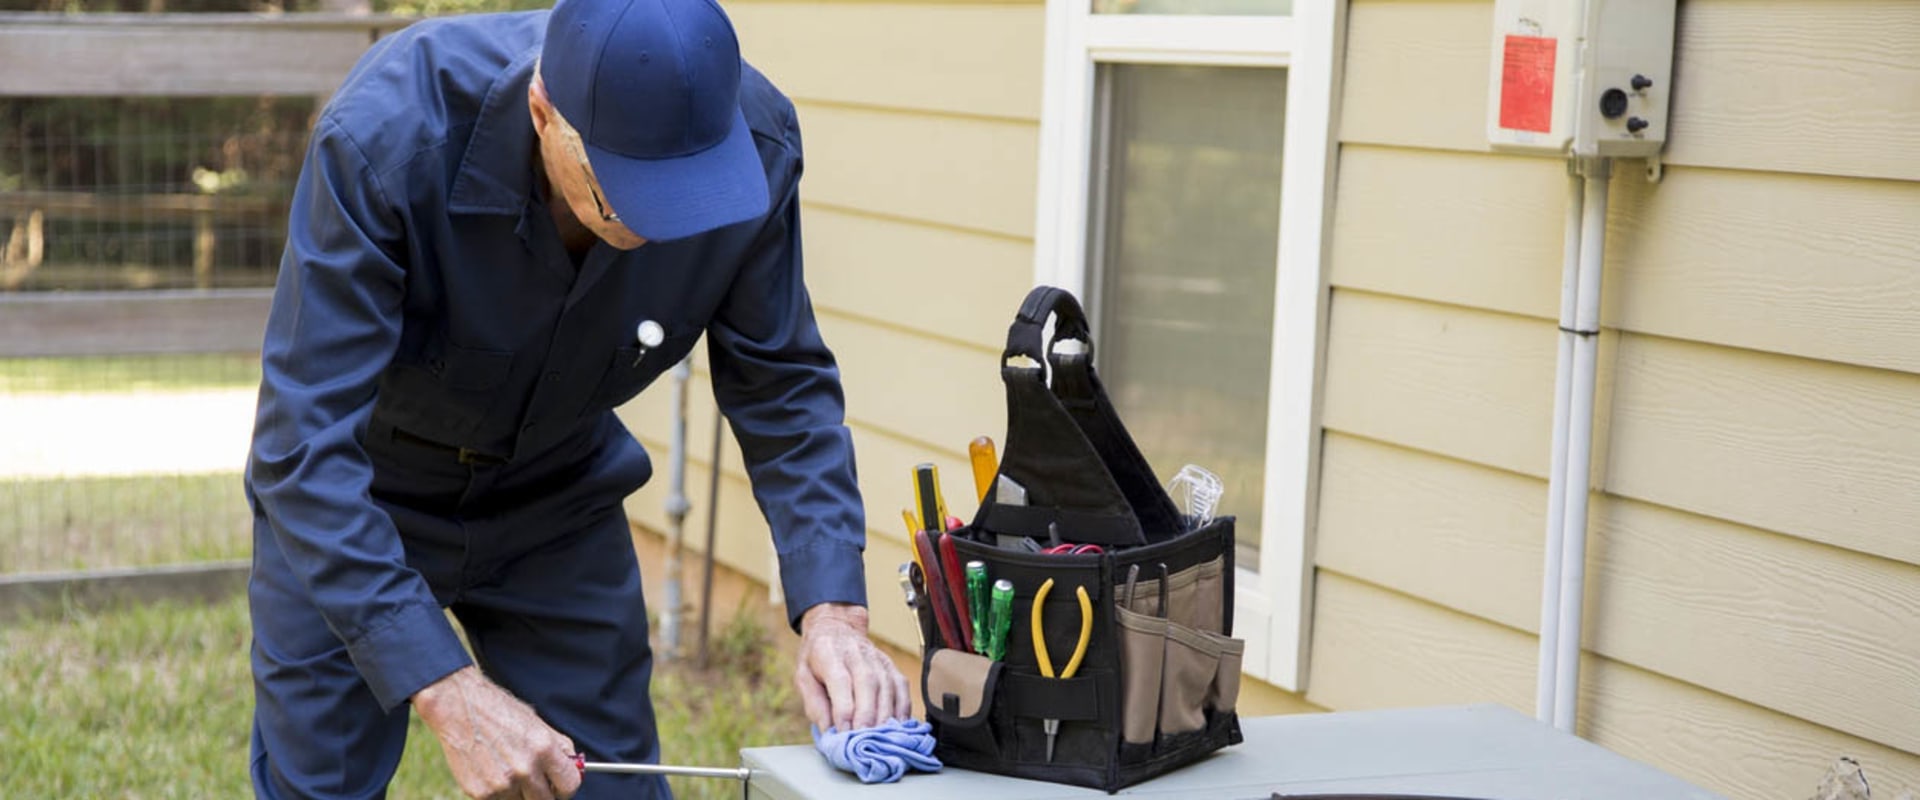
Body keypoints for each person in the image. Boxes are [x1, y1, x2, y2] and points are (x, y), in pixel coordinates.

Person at [242, 0, 909, 797]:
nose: (659, 228)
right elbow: (303, 445)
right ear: (542, 111)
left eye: (689, 195)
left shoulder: (758, 146)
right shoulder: (386, 138)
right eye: (626, 191)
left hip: (557, 493)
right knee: (320, 783)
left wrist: (833, 610)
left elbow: (782, 383)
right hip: (363, 497)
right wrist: (446, 689)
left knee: (609, 784)